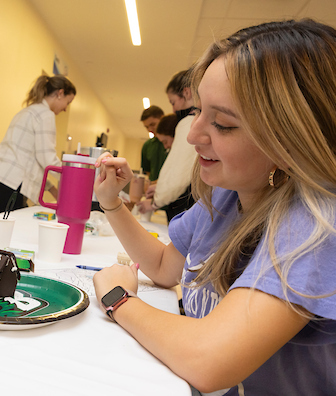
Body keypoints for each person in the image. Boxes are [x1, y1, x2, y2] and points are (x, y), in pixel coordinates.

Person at [93, 19, 336, 394]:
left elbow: (209, 360)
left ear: (290, 142)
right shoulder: (227, 193)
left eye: (222, 124)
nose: (192, 135)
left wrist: (119, 299)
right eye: (199, 112)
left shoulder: (317, 221)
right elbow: (163, 267)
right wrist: (112, 203)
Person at [0, 74, 76, 215]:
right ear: (60, 93)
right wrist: (73, 176)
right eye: (68, 102)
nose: (66, 109)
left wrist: (52, 189)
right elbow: (47, 158)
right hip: (11, 184)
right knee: (10, 233)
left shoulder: (27, 112)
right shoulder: (45, 115)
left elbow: (30, 161)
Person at [138, 70, 197, 222]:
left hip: (185, 207)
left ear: (187, 92)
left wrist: (155, 201)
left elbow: (178, 175)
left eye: (173, 102)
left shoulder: (189, 123)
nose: (174, 110)